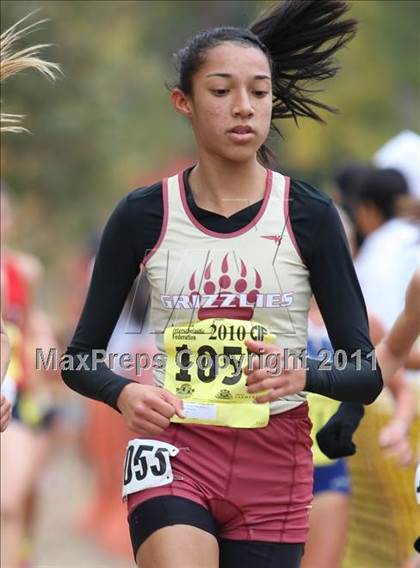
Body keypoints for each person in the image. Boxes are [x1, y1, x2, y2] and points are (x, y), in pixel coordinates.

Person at [62, 2, 383, 567]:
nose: (243, 108)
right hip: (173, 449)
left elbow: (366, 371)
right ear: (182, 102)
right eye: (221, 91)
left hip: (274, 461)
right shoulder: (144, 214)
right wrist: (124, 392)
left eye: (259, 93)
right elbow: (79, 358)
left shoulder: (308, 215)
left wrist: (300, 373)